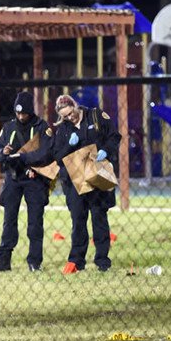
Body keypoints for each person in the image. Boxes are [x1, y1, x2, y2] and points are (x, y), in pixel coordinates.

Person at [52, 94, 121, 273]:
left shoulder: (96, 116)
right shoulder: (63, 129)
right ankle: (77, 261)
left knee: (99, 216)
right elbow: (57, 156)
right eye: (65, 116)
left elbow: (114, 136)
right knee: (78, 219)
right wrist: (69, 144)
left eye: (71, 113)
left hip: (96, 176)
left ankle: (102, 260)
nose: (70, 117)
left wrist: (106, 150)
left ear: (75, 106)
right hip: (74, 181)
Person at [0, 91, 54, 272]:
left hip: (34, 179)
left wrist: (24, 158)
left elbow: (46, 152)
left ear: (30, 111)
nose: (20, 116)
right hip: (13, 178)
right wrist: (4, 153)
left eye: (24, 113)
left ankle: (34, 262)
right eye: (18, 113)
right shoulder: (9, 127)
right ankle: (4, 262)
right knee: (9, 221)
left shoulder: (42, 127)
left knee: (35, 222)